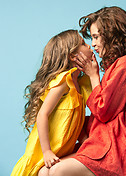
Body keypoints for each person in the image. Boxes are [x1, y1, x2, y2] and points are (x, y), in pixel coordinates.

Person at [43, 6, 126, 176]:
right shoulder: (116, 67)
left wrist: (93, 76)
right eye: (92, 38)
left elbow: (103, 110)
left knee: (57, 171)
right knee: (44, 171)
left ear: (113, 35)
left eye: (96, 37)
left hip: (123, 152)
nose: (93, 44)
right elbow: (102, 119)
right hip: (106, 145)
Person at [11, 29, 93, 176]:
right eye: (83, 43)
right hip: (44, 152)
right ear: (73, 55)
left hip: (60, 152)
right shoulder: (64, 81)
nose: (89, 46)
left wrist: (84, 139)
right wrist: (47, 151)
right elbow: (42, 114)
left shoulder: (80, 84)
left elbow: (73, 120)